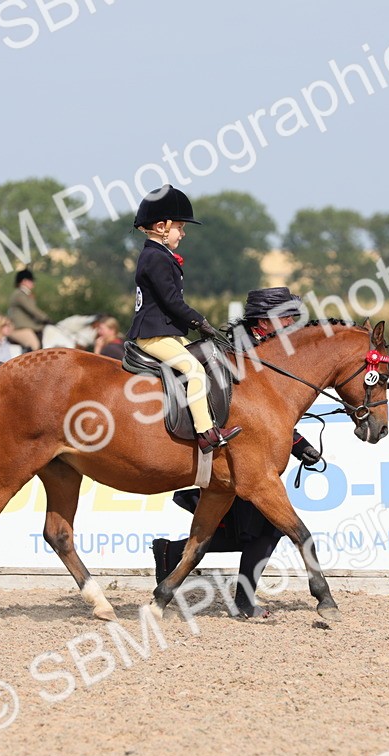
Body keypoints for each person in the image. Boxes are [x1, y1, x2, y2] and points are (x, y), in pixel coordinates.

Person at [153, 287, 321, 619]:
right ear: (267, 320)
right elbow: (255, 414)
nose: (293, 326)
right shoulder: (240, 352)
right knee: (264, 529)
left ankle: (172, 555)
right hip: (230, 455)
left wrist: (297, 443)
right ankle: (241, 600)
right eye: (288, 318)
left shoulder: (262, 349)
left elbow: (268, 416)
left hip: (241, 452)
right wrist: (298, 442)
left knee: (250, 530)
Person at [126, 185, 240, 454]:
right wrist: (199, 321)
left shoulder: (158, 255)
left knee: (210, 354)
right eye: (179, 227)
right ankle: (205, 433)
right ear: (161, 226)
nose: (183, 232)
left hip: (166, 331)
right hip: (154, 335)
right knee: (195, 370)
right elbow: (171, 302)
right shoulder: (155, 257)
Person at [7, 266, 52, 351]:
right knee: (34, 345)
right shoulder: (19, 294)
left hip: (28, 326)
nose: (33, 283)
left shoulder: (26, 294)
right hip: (19, 328)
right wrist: (45, 318)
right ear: (24, 281)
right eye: (31, 281)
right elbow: (32, 310)